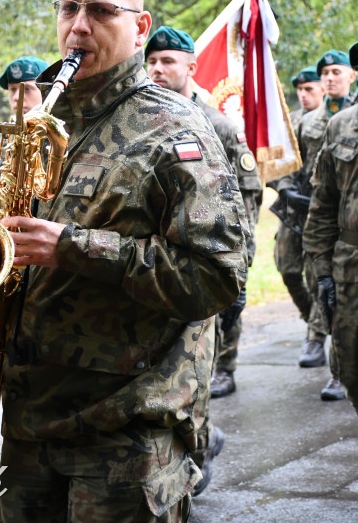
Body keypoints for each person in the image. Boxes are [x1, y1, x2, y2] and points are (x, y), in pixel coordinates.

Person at [0, 0, 249, 523]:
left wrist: (72, 248)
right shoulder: (43, 123)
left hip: (125, 436)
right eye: (69, 8)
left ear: (140, 27)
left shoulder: (174, 130)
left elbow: (214, 278)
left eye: (101, 11)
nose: (79, 27)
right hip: (30, 423)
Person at [145, 25, 262, 494]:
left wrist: (239, 272)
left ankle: (194, 459)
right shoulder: (146, 120)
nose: (157, 69)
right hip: (156, 270)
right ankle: (201, 441)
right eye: (151, 61)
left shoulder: (221, 127)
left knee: (195, 374)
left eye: (168, 62)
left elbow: (245, 205)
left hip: (205, 269)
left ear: (192, 67)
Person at [293, 50, 355, 399]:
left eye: (337, 71)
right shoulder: (338, 124)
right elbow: (321, 193)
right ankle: (325, 351)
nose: (329, 78)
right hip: (344, 246)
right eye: (325, 73)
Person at [272, 67, 324, 322]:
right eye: (300, 90)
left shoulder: (335, 119)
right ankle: (311, 316)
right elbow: (275, 160)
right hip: (292, 206)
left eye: (308, 89)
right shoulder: (289, 122)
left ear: (322, 89)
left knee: (319, 274)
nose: (303, 95)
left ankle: (317, 331)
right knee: (287, 269)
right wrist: (284, 188)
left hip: (321, 208)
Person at [0, 56, 49, 159]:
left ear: (46, 91)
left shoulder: (57, 143)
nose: (16, 97)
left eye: (27, 89)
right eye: (12, 90)